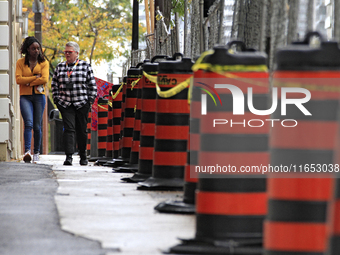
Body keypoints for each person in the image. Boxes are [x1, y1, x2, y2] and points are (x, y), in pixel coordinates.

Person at [51, 41, 97, 166]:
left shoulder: (85, 66)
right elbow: (54, 84)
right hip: (65, 104)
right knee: (69, 130)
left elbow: (92, 85)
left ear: (76, 53)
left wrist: (90, 101)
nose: (67, 54)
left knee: (81, 130)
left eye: (69, 52)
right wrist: (57, 100)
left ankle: (83, 155)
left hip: (82, 103)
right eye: (65, 52)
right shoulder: (60, 67)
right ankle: (69, 157)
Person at [16, 36, 49, 163]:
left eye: (38, 48)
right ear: (28, 50)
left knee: (37, 125)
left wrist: (28, 80)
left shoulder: (44, 63)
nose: (36, 51)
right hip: (25, 97)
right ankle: (27, 151)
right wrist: (34, 78)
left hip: (39, 96)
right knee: (28, 123)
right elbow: (19, 79)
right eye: (33, 48)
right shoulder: (20, 63)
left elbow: (45, 79)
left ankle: (36, 152)